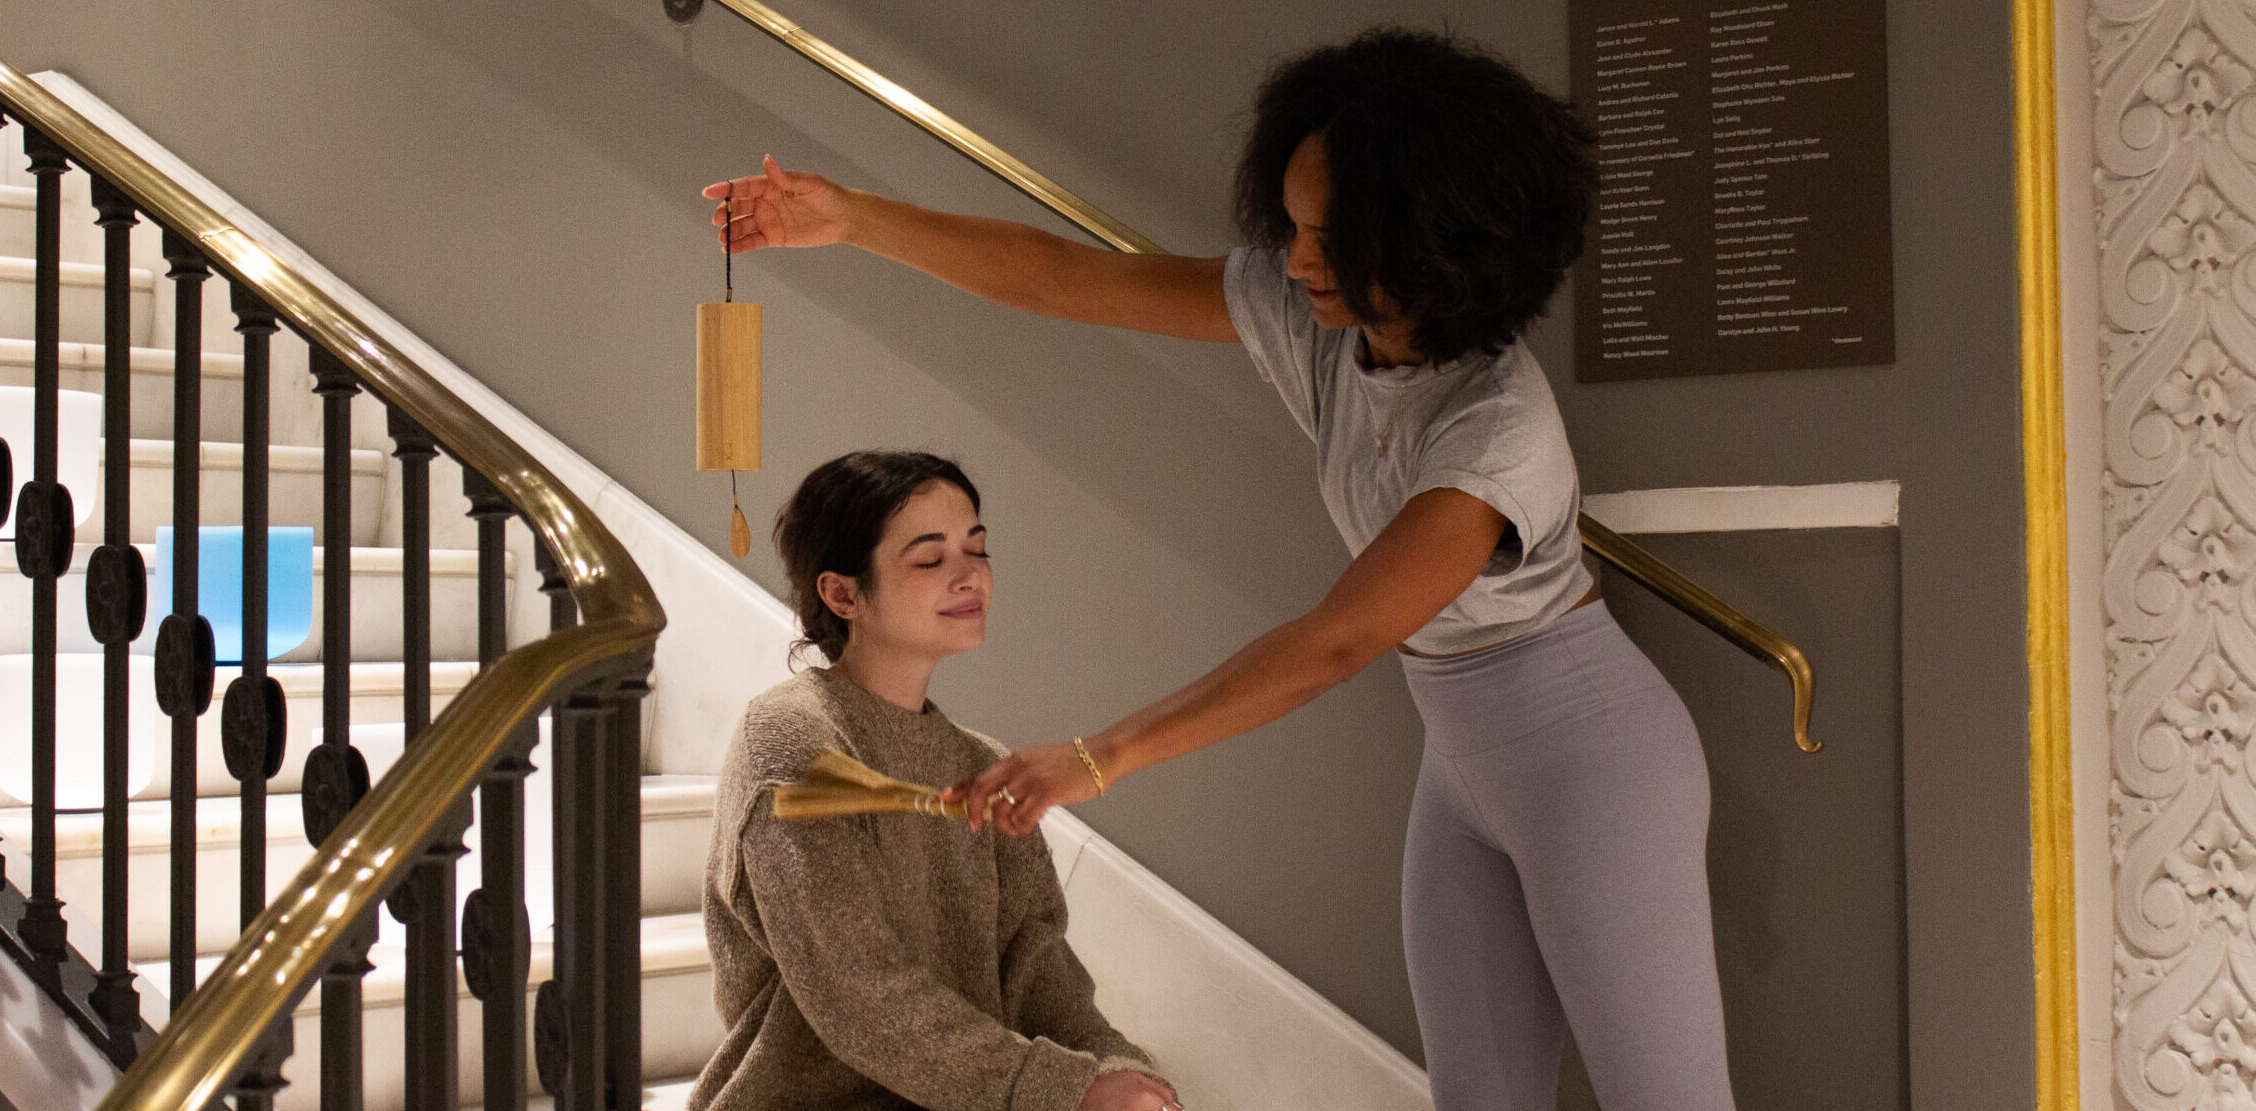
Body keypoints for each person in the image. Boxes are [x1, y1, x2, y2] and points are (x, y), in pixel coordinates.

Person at [701, 27, 1735, 1111]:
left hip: (1590, 767)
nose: (1294, 262)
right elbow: (1067, 279)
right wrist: (852, 218)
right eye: (1290, 228)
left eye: (1327, 239)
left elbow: (1334, 642)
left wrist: (1092, 759)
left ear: (1426, 243)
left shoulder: (1495, 437)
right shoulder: (1321, 325)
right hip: (1462, 766)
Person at [694, 451, 1179, 1111]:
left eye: (977, 550)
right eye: (930, 558)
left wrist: (1119, 1068)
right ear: (842, 593)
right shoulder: (790, 738)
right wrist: (1061, 1089)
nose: (970, 574)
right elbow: (859, 993)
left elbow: (1035, 965)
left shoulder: (982, 762)